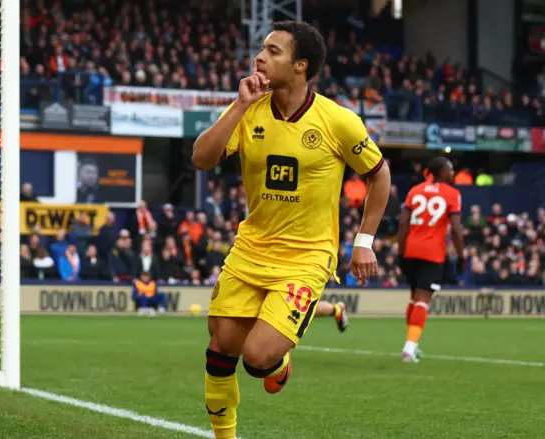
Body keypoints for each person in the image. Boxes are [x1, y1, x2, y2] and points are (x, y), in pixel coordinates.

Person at [191, 21, 391, 439]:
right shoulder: (249, 111)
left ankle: (276, 362)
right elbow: (202, 159)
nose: (260, 57)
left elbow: (379, 174)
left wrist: (364, 243)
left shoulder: (338, 121)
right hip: (250, 249)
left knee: (257, 357)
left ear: (301, 66)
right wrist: (239, 106)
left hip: (306, 256)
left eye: (273, 51)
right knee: (219, 349)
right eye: (262, 49)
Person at [397, 156, 464, 363]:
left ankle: (411, 343)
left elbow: (403, 224)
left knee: (414, 298)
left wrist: (401, 252)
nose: (452, 174)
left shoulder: (415, 190)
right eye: (450, 170)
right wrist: (461, 255)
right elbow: (455, 229)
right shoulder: (452, 194)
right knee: (423, 300)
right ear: (440, 172)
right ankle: (410, 348)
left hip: (410, 250)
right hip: (432, 252)